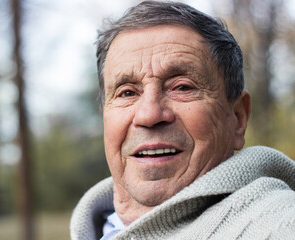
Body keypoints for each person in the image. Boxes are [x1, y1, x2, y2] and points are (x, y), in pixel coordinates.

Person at [70, 1, 295, 239]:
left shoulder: (281, 225)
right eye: (127, 92)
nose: (149, 115)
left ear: (238, 118)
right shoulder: (93, 228)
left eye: (182, 87)